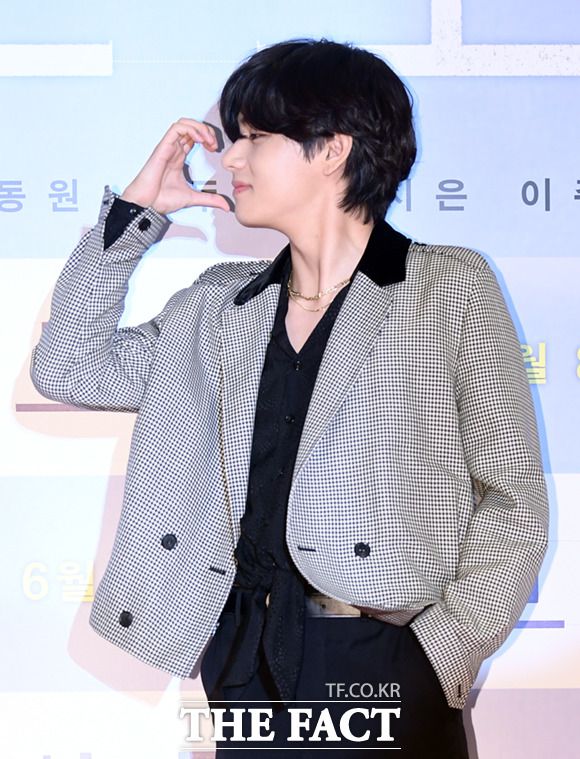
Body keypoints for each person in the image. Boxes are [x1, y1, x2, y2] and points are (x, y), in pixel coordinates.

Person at [30, 38, 549, 757]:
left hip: (382, 660)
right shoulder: (218, 306)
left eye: (253, 138)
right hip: (244, 659)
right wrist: (135, 215)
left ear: (333, 150)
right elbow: (68, 366)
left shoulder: (446, 289)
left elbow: (513, 496)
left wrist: (441, 652)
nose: (229, 160)